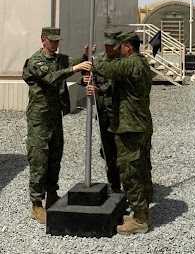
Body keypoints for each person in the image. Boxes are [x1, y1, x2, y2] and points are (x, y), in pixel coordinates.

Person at [22, 27, 92, 222]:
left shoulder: (59, 59)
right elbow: (51, 78)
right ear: (43, 41)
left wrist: (85, 56)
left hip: (55, 117)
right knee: (39, 158)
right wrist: (74, 69)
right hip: (40, 118)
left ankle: (52, 195)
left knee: (54, 156)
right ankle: (36, 204)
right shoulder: (36, 61)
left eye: (57, 40)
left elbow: (74, 62)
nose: (56, 44)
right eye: (52, 41)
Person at [91, 32, 153, 235]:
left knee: (130, 172)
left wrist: (90, 60)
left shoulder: (131, 64)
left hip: (130, 127)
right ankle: (141, 212)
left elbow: (106, 67)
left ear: (127, 47)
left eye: (119, 47)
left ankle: (139, 220)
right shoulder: (141, 63)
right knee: (142, 169)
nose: (116, 51)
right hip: (140, 124)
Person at [83, 28, 122, 193]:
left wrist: (100, 90)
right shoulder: (97, 60)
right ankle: (114, 186)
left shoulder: (124, 62)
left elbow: (119, 86)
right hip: (103, 113)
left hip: (121, 115)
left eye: (112, 46)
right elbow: (89, 78)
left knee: (123, 152)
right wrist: (85, 79)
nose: (108, 49)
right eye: (106, 45)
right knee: (107, 151)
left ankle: (128, 185)